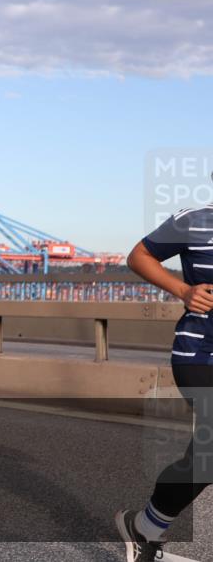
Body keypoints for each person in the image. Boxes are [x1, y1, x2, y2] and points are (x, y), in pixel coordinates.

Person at [115, 203, 213, 562]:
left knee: (206, 459)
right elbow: (139, 256)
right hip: (200, 355)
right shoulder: (196, 220)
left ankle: (145, 528)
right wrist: (183, 290)